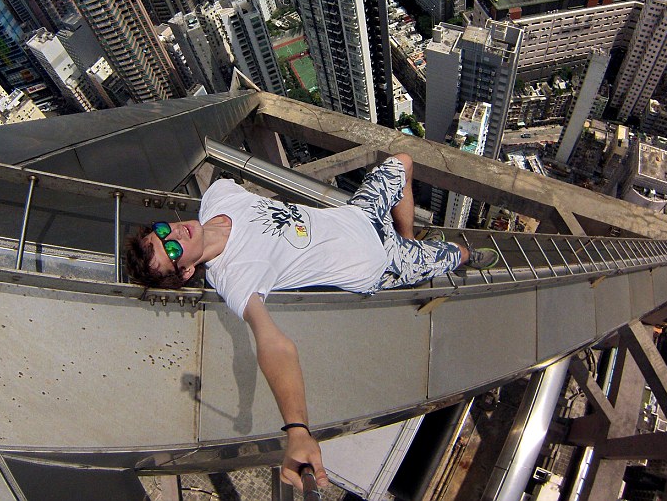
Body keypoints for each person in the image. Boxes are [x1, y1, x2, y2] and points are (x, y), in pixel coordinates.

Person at [123, 154, 498, 490]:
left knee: (402, 161)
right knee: (454, 254)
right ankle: (454, 256)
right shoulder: (235, 277)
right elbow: (273, 345)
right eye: (171, 251)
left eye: (161, 231)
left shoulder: (217, 197)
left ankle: (410, 237)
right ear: (187, 271)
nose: (173, 234)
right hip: (381, 265)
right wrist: (297, 428)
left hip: (359, 214)